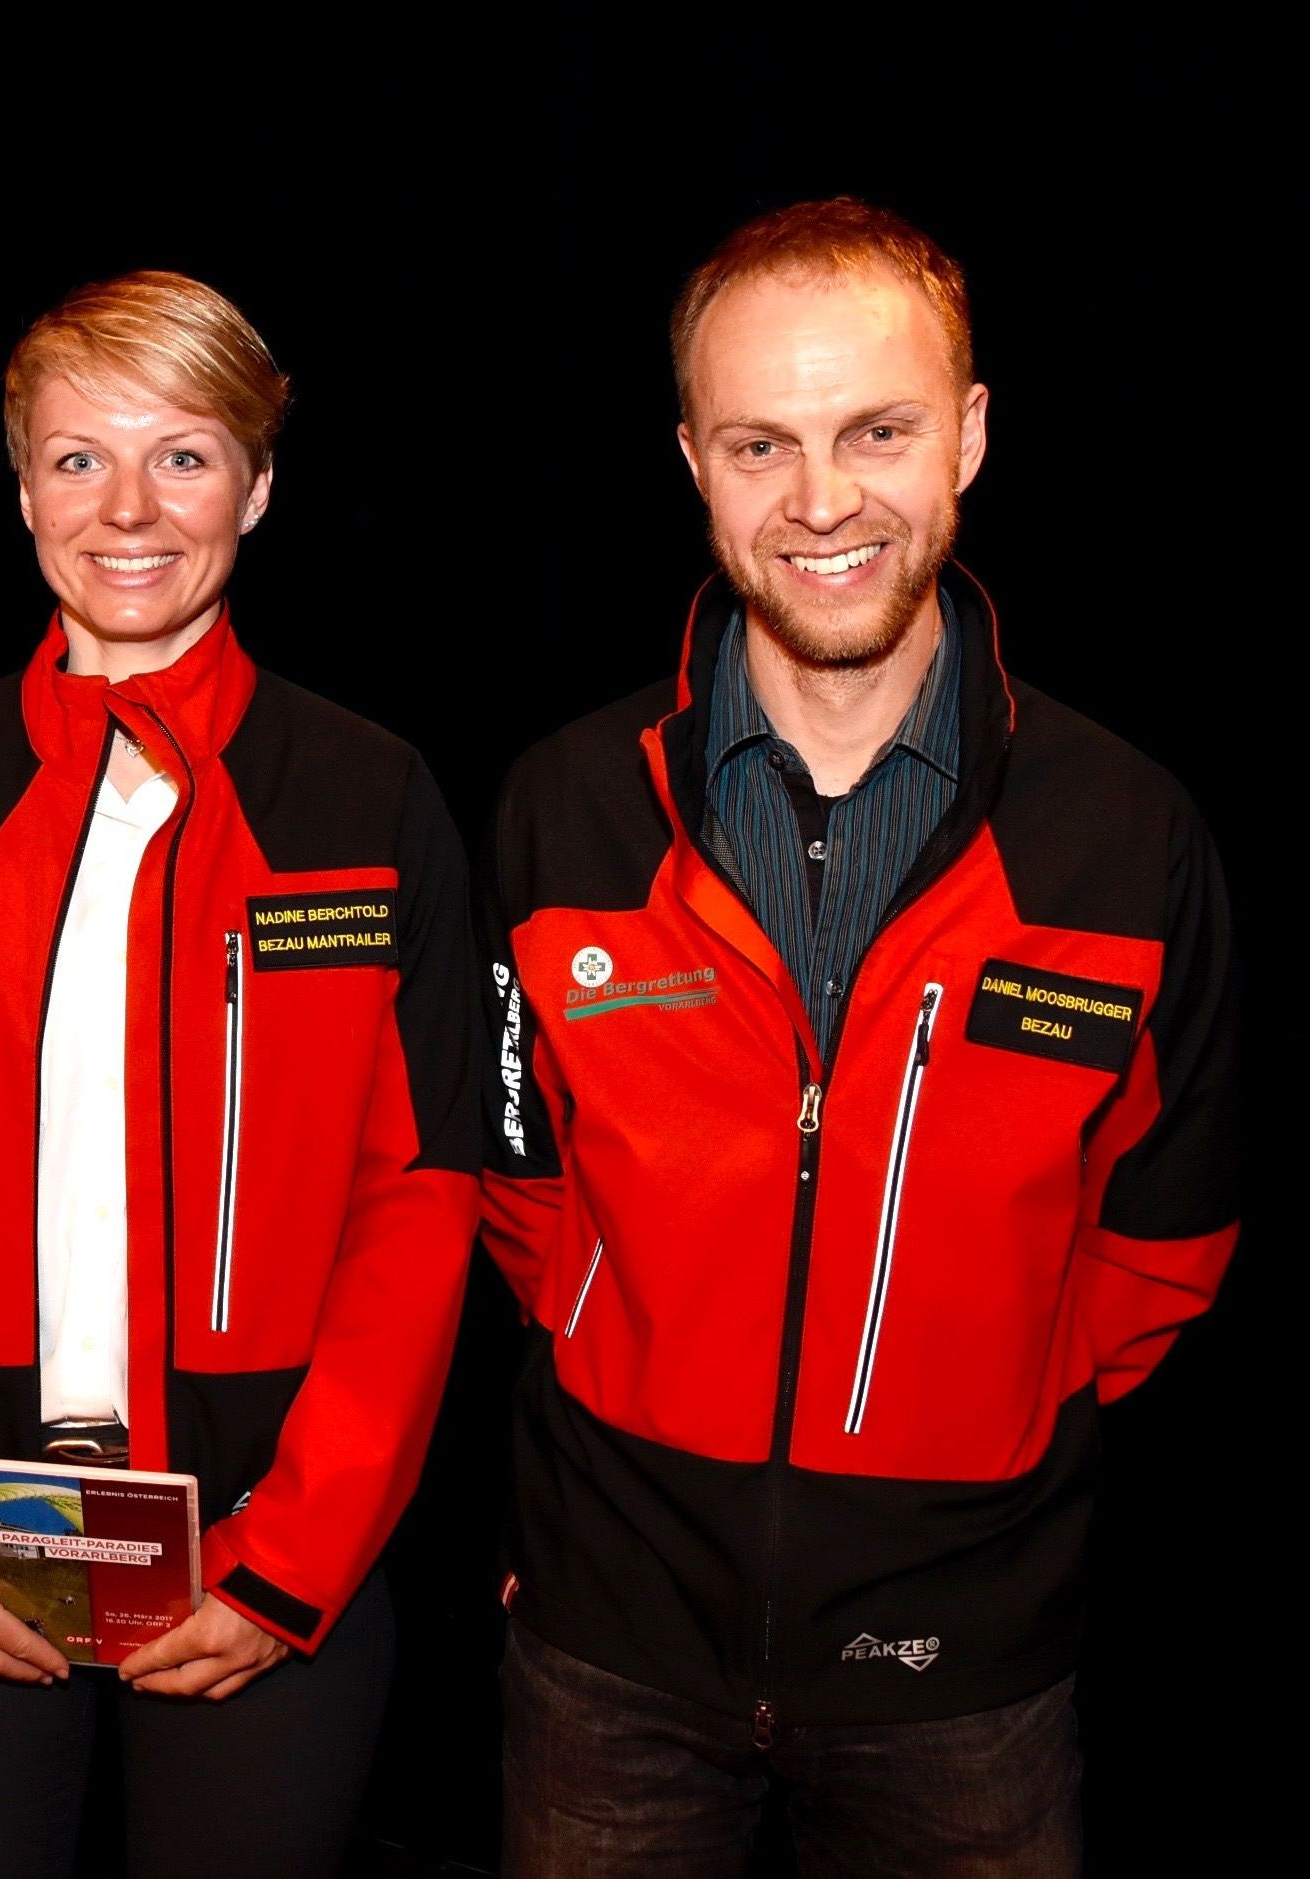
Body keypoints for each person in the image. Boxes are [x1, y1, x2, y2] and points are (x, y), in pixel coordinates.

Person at [479, 199, 1241, 1875]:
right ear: (693, 460)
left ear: (969, 431)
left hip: (965, 1676)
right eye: (762, 442)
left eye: (876, 431)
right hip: (610, 1661)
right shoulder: (567, 807)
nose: (821, 502)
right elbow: (526, 1201)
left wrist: (965, 1454)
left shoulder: (1124, 830)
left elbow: (1165, 1242)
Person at [0, 271, 481, 1878]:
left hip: (260, 1553)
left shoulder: (368, 793)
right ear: (20, 487)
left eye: (185, 455)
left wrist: (290, 1554)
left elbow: (424, 1199)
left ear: (259, 485)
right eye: (78, 459)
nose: (128, 509)